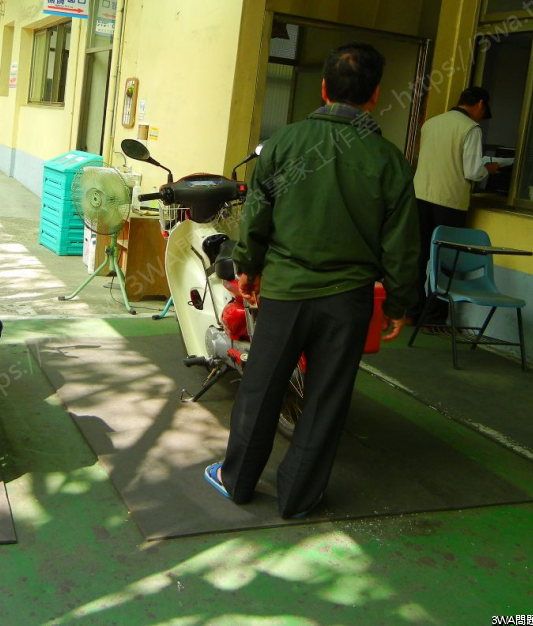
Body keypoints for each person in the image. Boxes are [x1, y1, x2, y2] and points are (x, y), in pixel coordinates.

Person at [203, 42, 421, 520]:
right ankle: (299, 497)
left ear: (323, 88)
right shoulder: (389, 161)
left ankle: (237, 480)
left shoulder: (283, 144)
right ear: (375, 95)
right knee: (326, 396)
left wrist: (249, 270)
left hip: (285, 292)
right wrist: (399, 304)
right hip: (349, 301)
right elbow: (402, 244)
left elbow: (256, 218)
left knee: (261, 387)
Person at [409, 86, 499, 325]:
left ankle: (412, 311)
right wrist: (488, 169)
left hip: (420, 196)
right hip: (449, 202)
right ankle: (433, 318)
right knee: (445, 262)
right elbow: (472, 171)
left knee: (419, 257)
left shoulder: (431, 123)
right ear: (480, 104)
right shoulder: (470, 128)